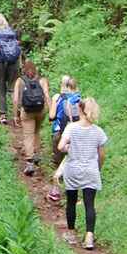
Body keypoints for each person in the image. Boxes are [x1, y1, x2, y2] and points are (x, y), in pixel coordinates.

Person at [56, 96, 107, 250]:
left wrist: (68, 148)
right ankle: (89, 237)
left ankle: (71, 235)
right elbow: (102, 154)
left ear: (80, 109)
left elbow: (60, 147)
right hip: (90, 170)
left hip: (73, 169)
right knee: (89, 204)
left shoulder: (71, 128)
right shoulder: (98, 132)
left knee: (71, 202)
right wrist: (98, 167)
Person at [47, 75, 82, 203]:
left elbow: (51, 116)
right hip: (74, 135)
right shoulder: (79, 100)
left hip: (59, 133)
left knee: (58, 163)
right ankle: (69, 191)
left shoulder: (58, 97)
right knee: (70, 163)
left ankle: (56, 190)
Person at [13, 57, 51, 175]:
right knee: (37, 131)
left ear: (24, 69)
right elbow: (47, 96)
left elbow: (15, 100)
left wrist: (15, 115)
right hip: (41, 110)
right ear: (35, 69)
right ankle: (37, 155)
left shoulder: (20, 80)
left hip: (27, 111)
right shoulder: (42, 80)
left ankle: (30, 163)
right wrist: (51, 112)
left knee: (28, 135)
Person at [0, 14, 22, 124]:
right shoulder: (13, 32)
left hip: (0, 62)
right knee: (13, 89)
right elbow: (18, 48)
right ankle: (17, 115)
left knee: (1, 88)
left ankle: (3, 116)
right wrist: (20, 64)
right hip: (14, 62)